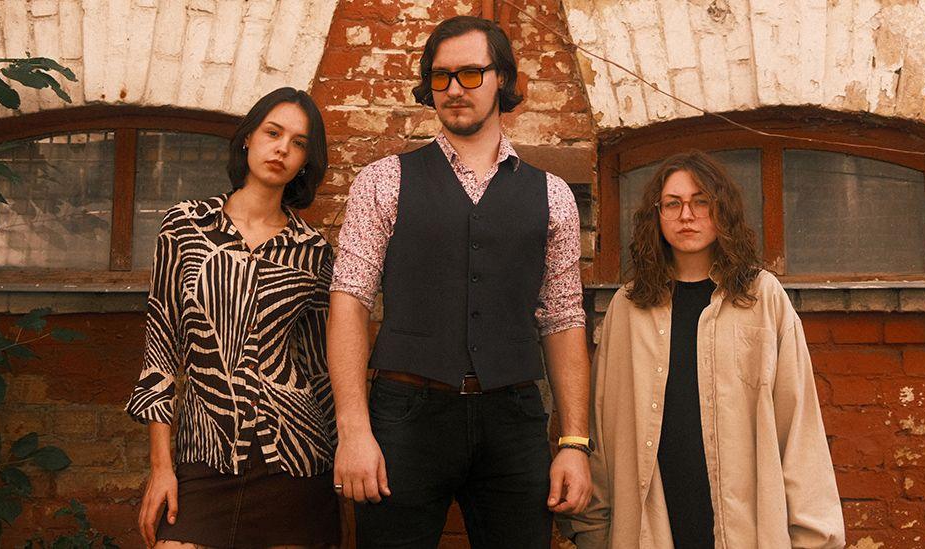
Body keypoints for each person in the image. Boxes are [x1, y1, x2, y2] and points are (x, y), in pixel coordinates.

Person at [327, 15, 592, 549]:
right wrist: (354, 430)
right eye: (441, 76)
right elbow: (349, 302)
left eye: (471, 74)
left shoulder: (554, 196)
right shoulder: (383, 181)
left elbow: (564, 320)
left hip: (512, 416)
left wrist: (574, 442)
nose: (453, 89)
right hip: (405, 413)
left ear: (504, 81)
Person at [557, 151, 844, 548]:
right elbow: (606, 423)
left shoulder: (761, 297)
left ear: (721, 209)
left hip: (744, 521)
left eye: (701, 201)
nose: (686, 215)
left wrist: (814, 535)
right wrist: (594, 528)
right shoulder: (629, 305)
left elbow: (798, 422)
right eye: (672, 204)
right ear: (656, 215)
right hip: (654, 518)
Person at [125, 87, 340, 549]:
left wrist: (345, 465)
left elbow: (322, 368)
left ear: (307, 161)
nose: (282, 148)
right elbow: (161, 351)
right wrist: (162, 468)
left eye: (299, 143)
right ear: (247, 138)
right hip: (205, 457)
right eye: (273, 132)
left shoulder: (314, 251)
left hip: (296, 459)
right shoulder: (184, 226)